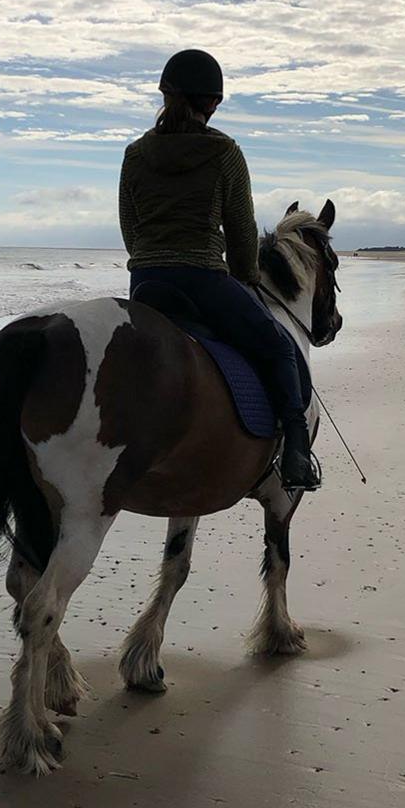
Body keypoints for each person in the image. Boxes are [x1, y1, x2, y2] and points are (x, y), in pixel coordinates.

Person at [118, 48, 319, 491]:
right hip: (204, 278)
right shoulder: (224, 152)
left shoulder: (134, 154)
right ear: (211, 102)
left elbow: (129, 227)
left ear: (166, 95)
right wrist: (245, 274)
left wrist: (150, 261)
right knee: (278, 347)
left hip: (146, 282)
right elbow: (243, 230)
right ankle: (297, 453)